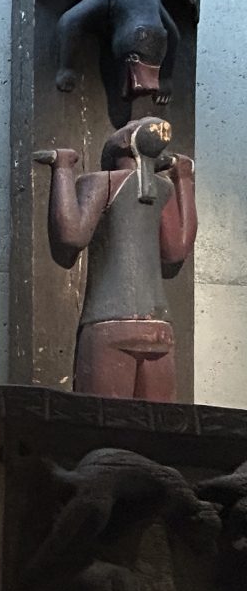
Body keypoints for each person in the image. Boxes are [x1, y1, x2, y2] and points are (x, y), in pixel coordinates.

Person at [34, 117, 196, 402]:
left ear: (123, 142)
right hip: (159, 328)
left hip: (108, 323)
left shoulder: (103, 182)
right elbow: (176, 250)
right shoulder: (164, 189)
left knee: (102, 424)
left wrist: (62, 167)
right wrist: (184, 179)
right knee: (160, 429)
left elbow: (72, 235)